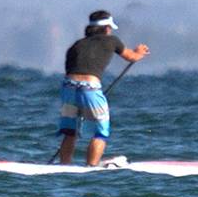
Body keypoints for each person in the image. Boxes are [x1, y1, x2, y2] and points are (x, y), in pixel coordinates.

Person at [56, 10, 149, 166]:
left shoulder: (77, 44)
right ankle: (91, 167)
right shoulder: (111, 40)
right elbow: (131, 57)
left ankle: (64, 166)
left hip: (68, 88)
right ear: (106, 28)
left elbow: (69, 69)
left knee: (70, 132)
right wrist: (140, 52)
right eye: (110, 28)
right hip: (90, 88)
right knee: (100, 132)